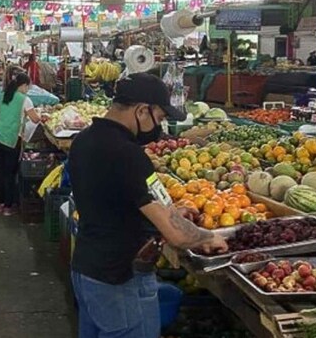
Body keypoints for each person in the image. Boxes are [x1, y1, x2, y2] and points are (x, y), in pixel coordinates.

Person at [68, 72, 227, 338]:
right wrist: (208, 236)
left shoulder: (83, 141)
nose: (160, 128)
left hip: (87, 269)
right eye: (160, 118)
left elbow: (119, 198)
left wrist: (171, 212)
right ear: (142, 111)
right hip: (118, 277)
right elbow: (175, 234)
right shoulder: (127, 154)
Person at [0, 73, 40, 216]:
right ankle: (7, 207)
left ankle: (0, 203)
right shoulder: (25, 100)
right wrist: (43, 116)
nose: (28, 89)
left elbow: (0, 114)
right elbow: (35, 119)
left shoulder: (3, 96)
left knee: (0, 172)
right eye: (27, 87)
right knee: (9, 174)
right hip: (10, 140)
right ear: (23, 85)